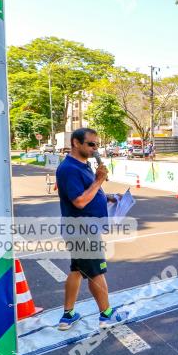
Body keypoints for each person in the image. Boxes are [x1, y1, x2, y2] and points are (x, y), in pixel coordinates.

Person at [55, 128, 127, 330]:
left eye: (96, 144)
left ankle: (68, 315)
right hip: (82, 229)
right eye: (91, 144)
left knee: (76, 270)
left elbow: (89, 192)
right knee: (96, 272)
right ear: (76, 143)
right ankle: (106, 315)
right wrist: (98, 181)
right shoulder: (69, 169)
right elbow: (79, 201)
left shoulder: (83, 165)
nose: (95, 149)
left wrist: (107, 195)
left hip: (82, 228)